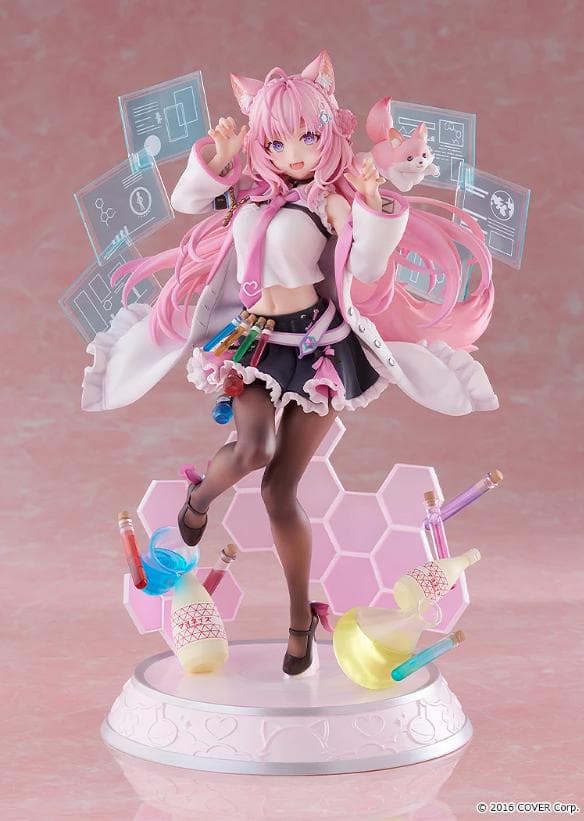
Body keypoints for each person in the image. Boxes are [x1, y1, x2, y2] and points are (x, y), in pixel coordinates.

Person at [82, 50, 498, 677]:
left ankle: (300, 621)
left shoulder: (329, 203)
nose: (294, 153)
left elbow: (365, 265)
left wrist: (372, 205)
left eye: (307, 136)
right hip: (255, 340)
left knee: (281, 490)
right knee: (252, 449)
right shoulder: (248, 195)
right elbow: (189, 200)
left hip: (318, 347)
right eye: (277, 141)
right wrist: (216, 160)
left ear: (329, 134)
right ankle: (199, 499)